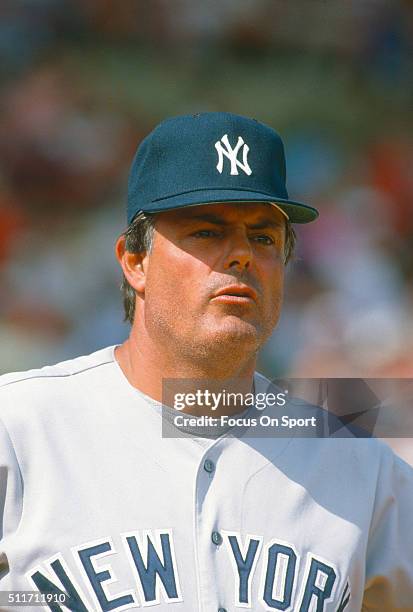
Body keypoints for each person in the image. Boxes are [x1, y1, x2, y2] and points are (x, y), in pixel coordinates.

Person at [0, 112, 412, 612]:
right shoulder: (20, 429)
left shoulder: (361, 467)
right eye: (206, 232)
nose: (240, 255)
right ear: (135, 262)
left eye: (263, 237)